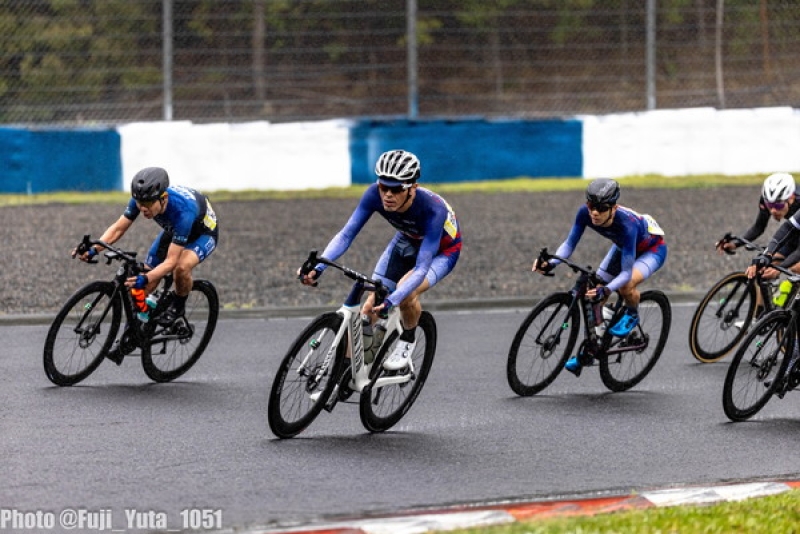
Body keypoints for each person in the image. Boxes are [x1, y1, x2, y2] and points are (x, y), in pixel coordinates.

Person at [298, 149, 462, 371]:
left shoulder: (434, 210)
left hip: (442, 251)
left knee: (405, 291)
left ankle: (407, 340)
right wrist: (319, 267)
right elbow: (346, 235)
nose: (388, 195)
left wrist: (394, 299)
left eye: (396, 189)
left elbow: (422, 267)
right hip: (407, 239)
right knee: (369, 307)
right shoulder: (374, 195)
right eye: (383, 187)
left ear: (413, 187)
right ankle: (347, 372)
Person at [73, 166, 219, 363]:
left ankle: (178, 307)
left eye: (148, 204)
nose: (143, 209)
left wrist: (147, 277)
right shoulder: (142, 199)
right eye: (140, 203)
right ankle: (131, 336)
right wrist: (93, 249)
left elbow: (171, 261)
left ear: (163, 198)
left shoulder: (183, 212)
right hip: (174, 230)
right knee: (144, 285)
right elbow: (118, 228)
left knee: (180, 267)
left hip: (202, 233)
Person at [532, 178, 668, 376]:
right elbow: (569, 245)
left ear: (614, 208)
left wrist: (608, 289)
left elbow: (626, 273)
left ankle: (632, 313)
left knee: (625, 285)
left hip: (652, 250)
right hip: (623, 247)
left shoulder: (627, 225)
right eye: (591, 206)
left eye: (602, 208)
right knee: (593, 293)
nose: (595, 212)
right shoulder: (584, 213)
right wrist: (551, 263)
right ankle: (592, 348)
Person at [716, 172, 799, 256]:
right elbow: (758, 227)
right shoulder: (767, 200)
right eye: (770, 205)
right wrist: (735, 244)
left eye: (778, 205)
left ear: (791, 198)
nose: (773, 211)